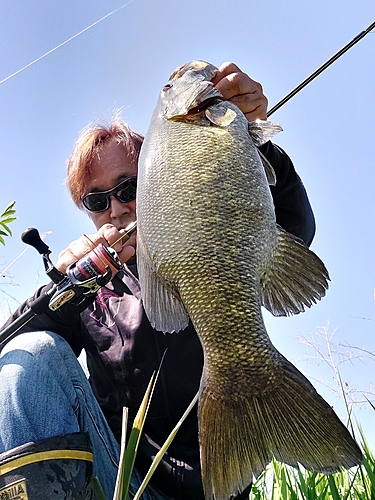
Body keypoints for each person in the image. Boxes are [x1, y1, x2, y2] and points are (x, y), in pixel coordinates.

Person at [0, 62, 316, 500]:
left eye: (128, 187)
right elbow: (11, 354)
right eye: (97, 199)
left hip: (210, 483)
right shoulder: (90, 294)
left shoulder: (206, 233)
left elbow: (293, 227)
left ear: (158, 176)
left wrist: (254, 142)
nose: (115, 208)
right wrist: (65, 288)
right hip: (119, 479)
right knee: (30, 353)